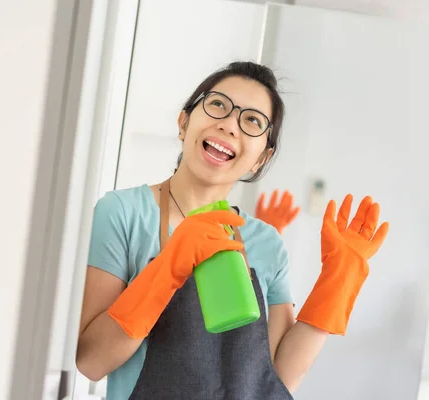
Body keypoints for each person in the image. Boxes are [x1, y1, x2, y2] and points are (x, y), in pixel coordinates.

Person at [76, 61, 389, 400]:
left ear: (261, 159)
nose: (229, 125)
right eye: (218, 105)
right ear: (184, 122)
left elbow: (275, 377)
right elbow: (91, 361)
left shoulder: (266, 242)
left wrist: (336, 284)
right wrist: (168, 268)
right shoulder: (123, 213)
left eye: (252, 120)